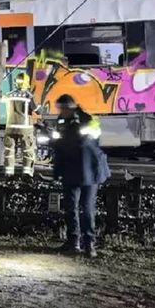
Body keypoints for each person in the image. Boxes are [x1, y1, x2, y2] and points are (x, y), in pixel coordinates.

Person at [52, 94, 104, 258]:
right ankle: (75, 242)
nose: (60, 111)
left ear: (70, 107)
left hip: (86, 169)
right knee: (72, 208)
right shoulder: (63, 120)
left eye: (62, 108)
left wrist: (56, 141)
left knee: (85, 209)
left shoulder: (86, 120)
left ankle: (88, 244)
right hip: (78, 170)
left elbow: (79, 144)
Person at [3, 72, 38, 178]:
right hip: (25, 128)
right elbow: (36, 110)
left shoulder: (9, 95)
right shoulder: (28, 95)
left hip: (10, 128)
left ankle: (9, 173)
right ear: (27, 83)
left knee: (9, 150)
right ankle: (26, 173)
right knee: (28, 149)